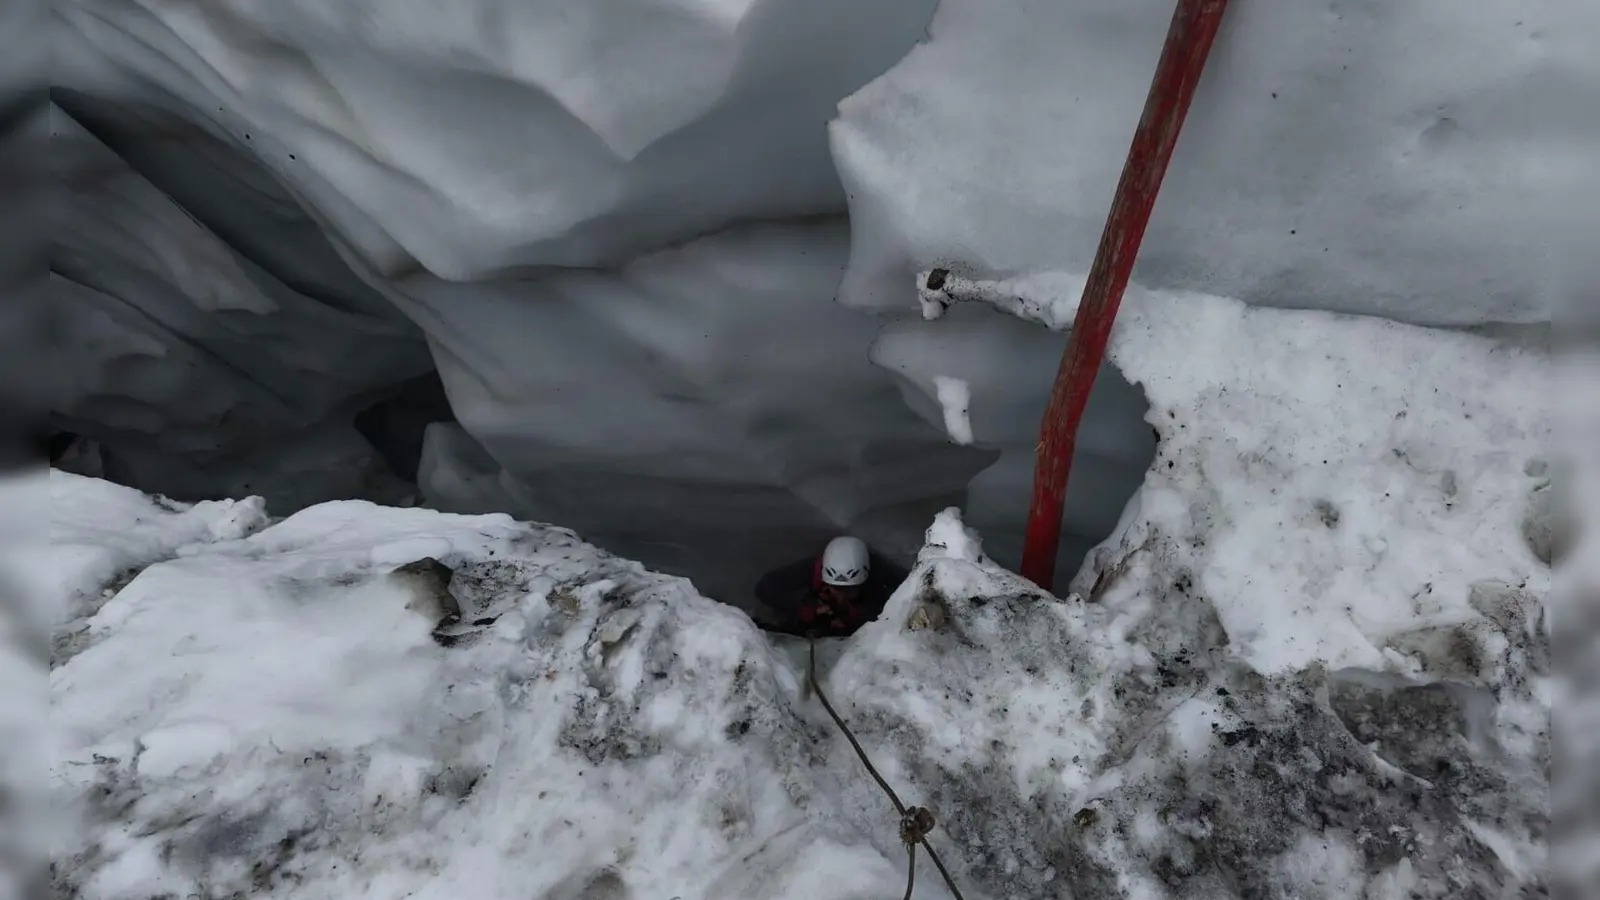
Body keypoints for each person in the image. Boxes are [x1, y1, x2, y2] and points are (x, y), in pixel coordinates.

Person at [753, 536, 908, 637]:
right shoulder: (812, 570)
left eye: (849, 590)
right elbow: (765, 588)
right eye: (836, 588)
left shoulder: (879, 577)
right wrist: (804, 609)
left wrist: (847, 618)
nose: (841, 596)